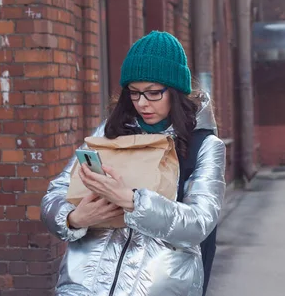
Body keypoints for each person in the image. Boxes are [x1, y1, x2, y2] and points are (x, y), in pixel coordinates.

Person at [40, 31, 226, 296]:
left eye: (153, 93)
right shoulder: (108, 133)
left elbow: (199, 223)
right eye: (134, 92)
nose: (141, 103)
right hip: (84, 287)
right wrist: (73, 218)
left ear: (175, 91)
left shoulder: (204, 146)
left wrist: (133, 201)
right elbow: (54, 194)